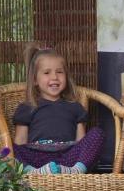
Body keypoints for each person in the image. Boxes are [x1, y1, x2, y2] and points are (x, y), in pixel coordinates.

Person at [12, 46, 104, 174]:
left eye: (59, 72)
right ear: (34, 80)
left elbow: (81, 143)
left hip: (67, 160)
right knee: (9, 148)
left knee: (97, 133)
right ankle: (31, 172)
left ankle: (77, 171)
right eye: (47, 72)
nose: (54, 77)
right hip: (36, 160)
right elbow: (20, 142)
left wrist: (78, 160)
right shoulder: (27, 107)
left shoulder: (75, 107)